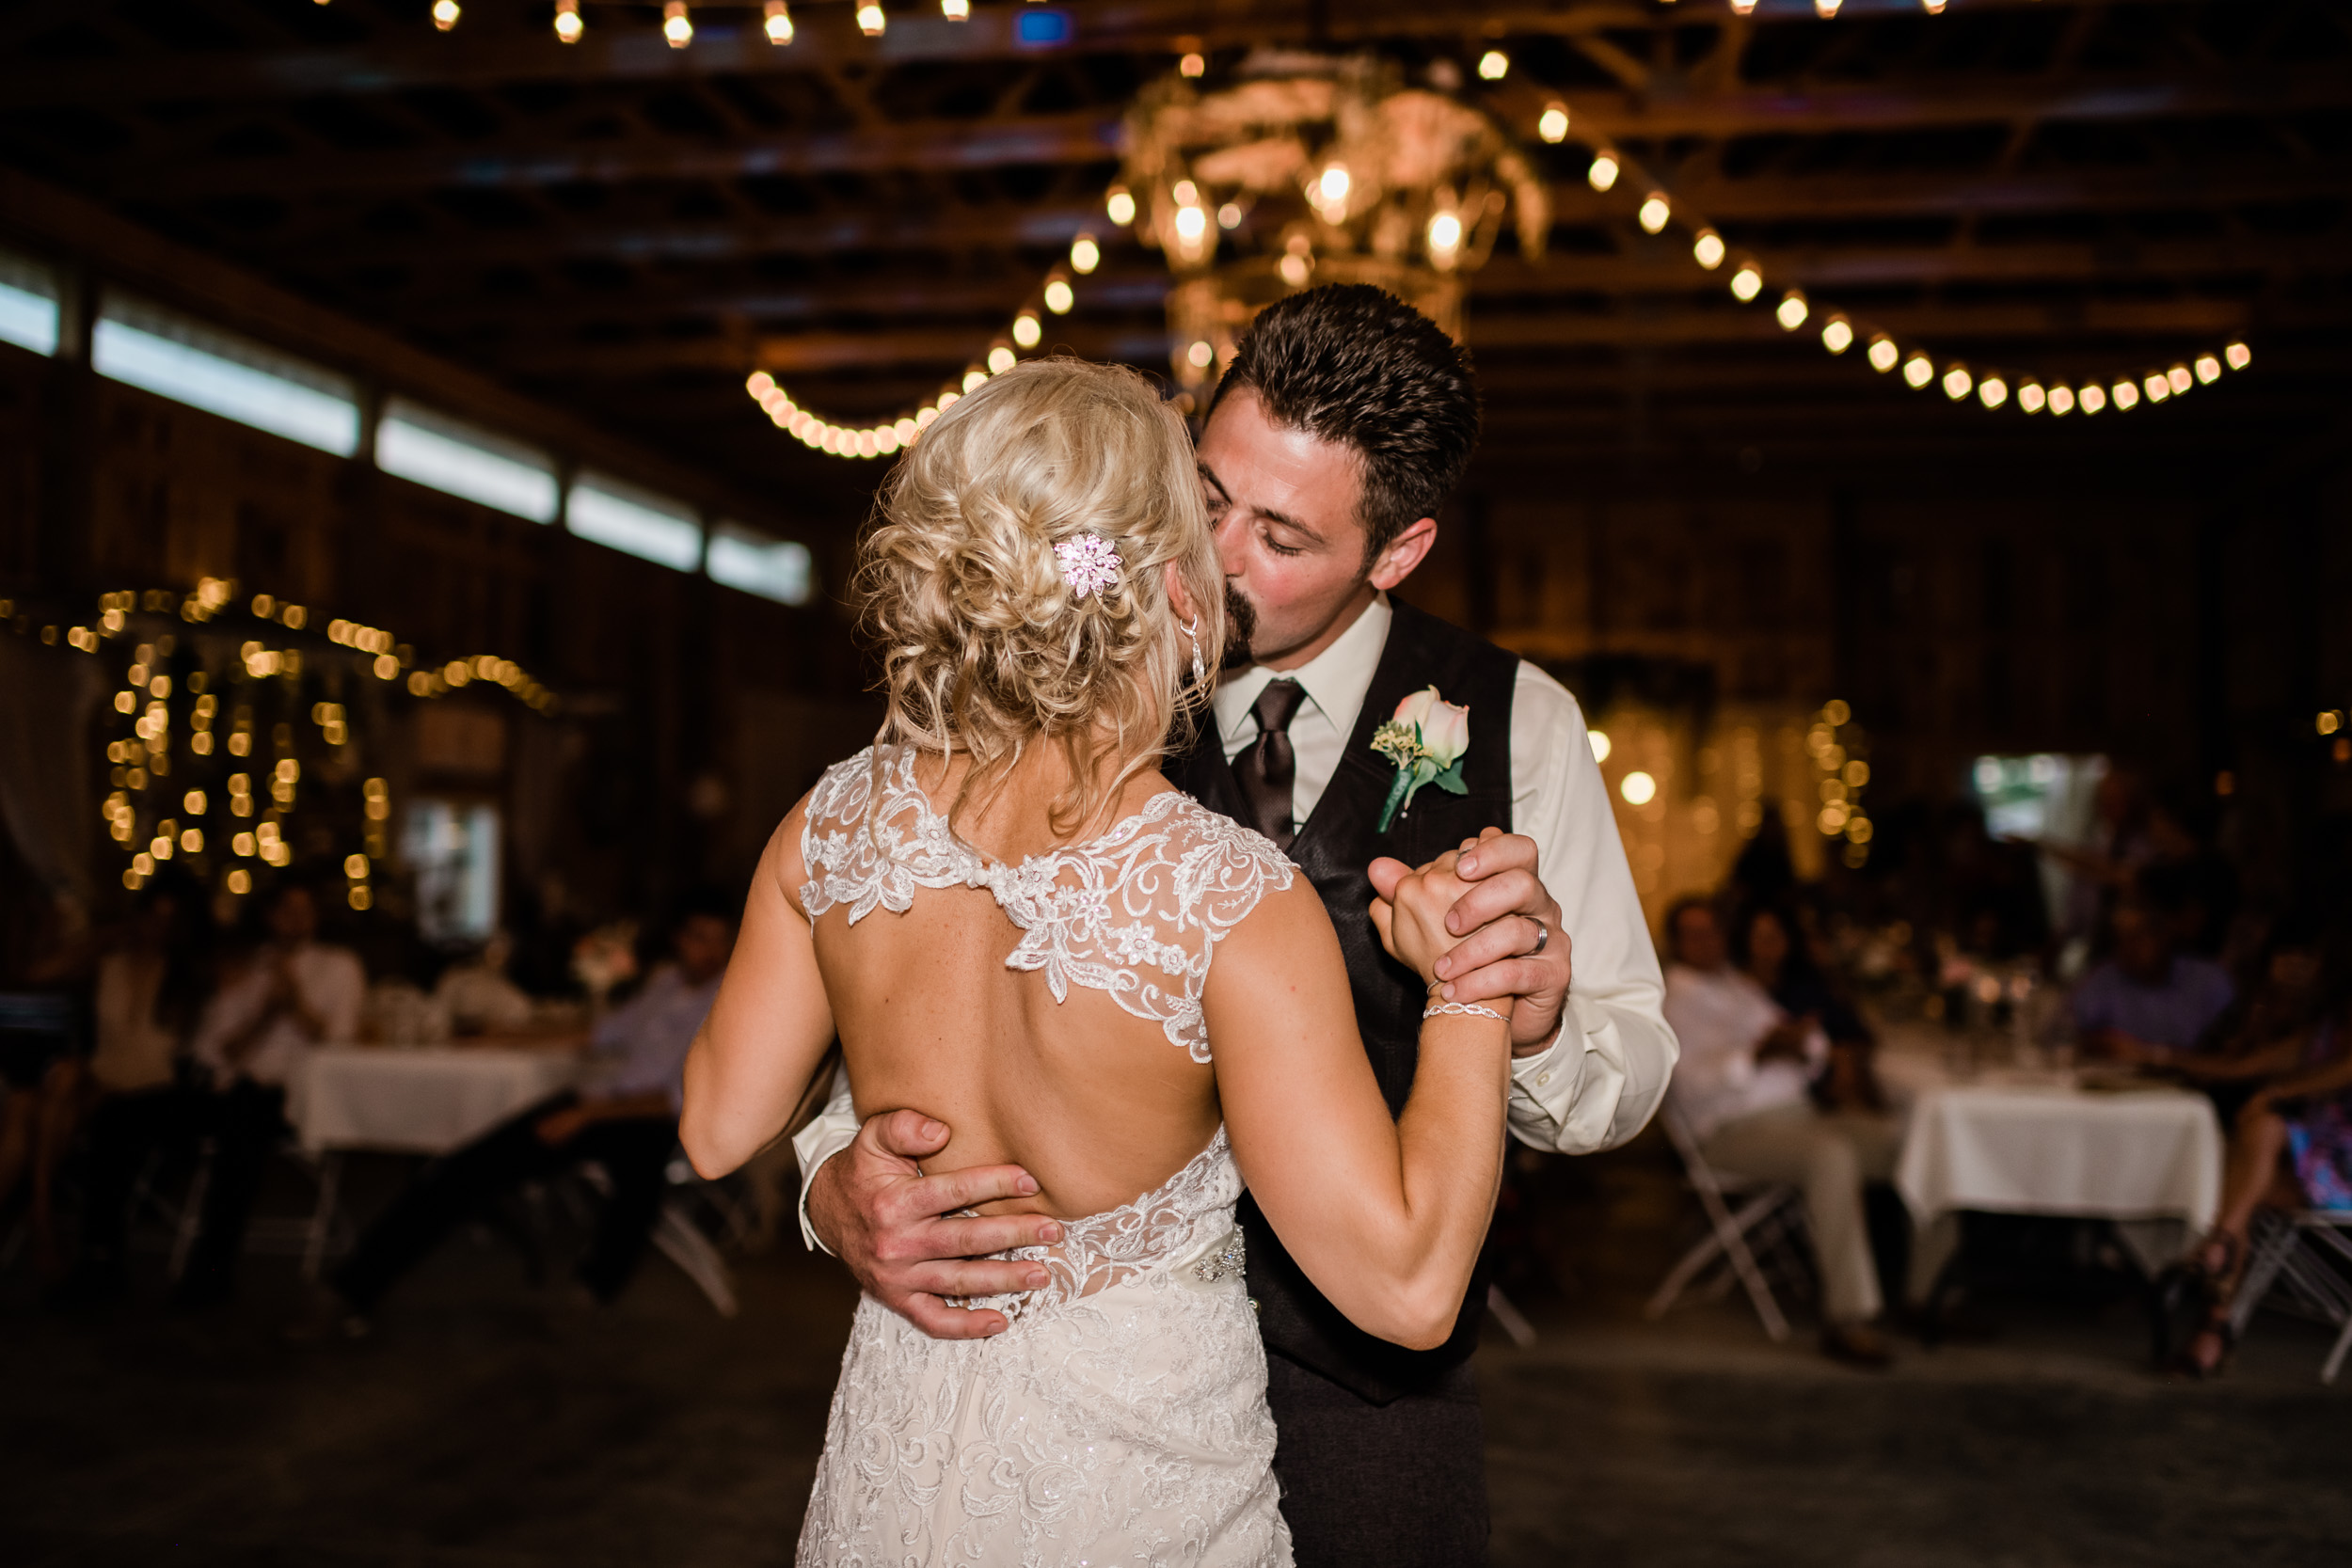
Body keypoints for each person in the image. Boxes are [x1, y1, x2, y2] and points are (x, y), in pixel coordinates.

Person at [789, 285, 1677, 1566]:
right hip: (1076, 1373)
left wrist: (1530, 1023)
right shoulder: (1055, 626)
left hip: (1371, 1383)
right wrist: (829, 1172)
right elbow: (872, 932)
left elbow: (1634, 1058)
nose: (1215, 558)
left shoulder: (1515, 717)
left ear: (1397, 550)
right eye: (1205, 496)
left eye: (1281, 533)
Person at [296, 896, 736, 1335]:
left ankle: (593, 1293)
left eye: (720, 941)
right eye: (700, 938)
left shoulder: (732, 1000)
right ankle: (349, 1290)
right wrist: (499, 1036)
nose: (709, 951)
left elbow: (685, 1097)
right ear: (680, 939)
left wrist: (586, 1115)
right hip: (603, 1102)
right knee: (463, 1169)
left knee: (640, 1175)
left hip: (658, 1118)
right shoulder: (665, 984)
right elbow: (597, 1034)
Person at [1662, 898, 1901, 1366]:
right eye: (1694, 934)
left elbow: (1800, 1041)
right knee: (1831, 1155)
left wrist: (1801, 1042)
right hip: (1730, 1131)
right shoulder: (1669, 999)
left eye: (1712, 931)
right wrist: (1755, 1057)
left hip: (1798, 1114)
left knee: (1901, 1140)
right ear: (1675, 942)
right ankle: (1847, 1318)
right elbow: (1688, 1084)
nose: (1707, 942)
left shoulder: (1734, 984)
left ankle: (1925, 1294)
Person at [176, 879, 363, 1307]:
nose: (297, 919)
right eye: (286, 910)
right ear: (269, 917)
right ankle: (99, 1259)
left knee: (241, 1122)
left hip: (298, 1095)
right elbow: (221, 1048)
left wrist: (294, 1003)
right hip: (232, 1089)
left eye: (305, 909)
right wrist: (266, 1012)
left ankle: (210, 1271)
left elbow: (340, 1047)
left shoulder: (339, 966)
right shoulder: (247, 967)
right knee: (121, 1118)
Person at [49, 873, 218, 1305]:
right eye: (149, 916)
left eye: (168, 920)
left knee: (116, 1124)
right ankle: (46, 1227)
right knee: (44, 1109)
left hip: (159, 1092)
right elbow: (42, 973)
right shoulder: (110, 964)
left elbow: (186, 1056)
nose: (155, 928)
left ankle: (98, 1256)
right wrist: (103, 937)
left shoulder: (191, 977)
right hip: (100, 1082)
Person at [2073, 894, 2234, 1062]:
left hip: (2196, 1082)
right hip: (2125, 1081)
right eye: (2121, 939)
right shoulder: (2106, 977)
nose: (2127, 948)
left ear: (2165, 935)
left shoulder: (2209, 980)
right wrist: (2098, 1043)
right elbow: (2069, 1033)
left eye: (2137, 937)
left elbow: (2229, 1052)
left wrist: (2153, 1055)